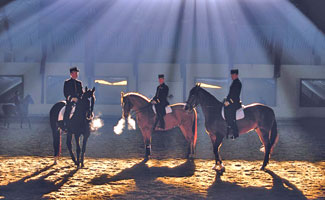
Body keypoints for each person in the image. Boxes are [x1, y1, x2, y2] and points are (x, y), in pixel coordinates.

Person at [224, 69, 242, 139]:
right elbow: (230, 93)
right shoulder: (234, 82)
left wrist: (229, 101)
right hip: (231, 101)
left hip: (235, 102)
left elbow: (235, 95)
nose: (231, 76)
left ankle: (235, 132)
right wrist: (226, 99)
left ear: (236, 75)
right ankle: (228, 126)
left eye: (233, 75)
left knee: (229, 113)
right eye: (231, 75)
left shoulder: (238, 83)